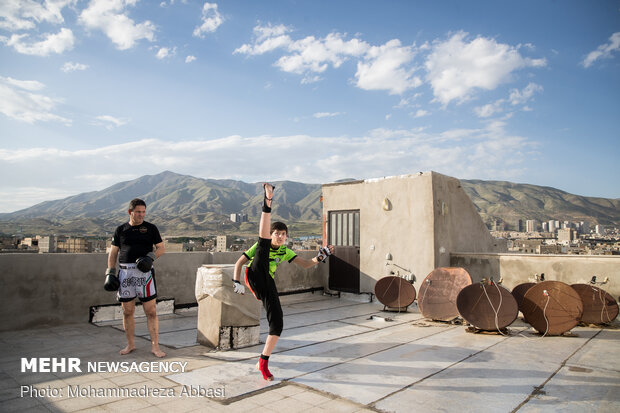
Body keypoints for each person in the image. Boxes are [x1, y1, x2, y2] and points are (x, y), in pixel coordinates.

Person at [233, 183, 334, 381]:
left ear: (286, 237)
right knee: (262, 247)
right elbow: (239, 262)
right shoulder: (261, 244)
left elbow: (305, 264)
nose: (279, 237)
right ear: (272, 234)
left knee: (277, 324)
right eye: (276, 233)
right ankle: (267, 201)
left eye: (283, 234)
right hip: (252, 275)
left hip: (267, 282)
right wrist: (236, 281)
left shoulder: (285, 251)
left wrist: (319, 258)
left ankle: (263, 361)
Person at [106, 198, 166, 357]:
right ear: (130, 212)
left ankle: (155, 347)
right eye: (138, 212)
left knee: (151, 311)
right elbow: (113, 252)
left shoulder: (151, 228)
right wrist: (110, 272)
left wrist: (150, 258)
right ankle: (130, 344)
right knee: (127, 311)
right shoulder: (121, 230)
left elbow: (161, 248)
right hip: (126, 273)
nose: (141, 215)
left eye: (143, 212)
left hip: (144, 273)